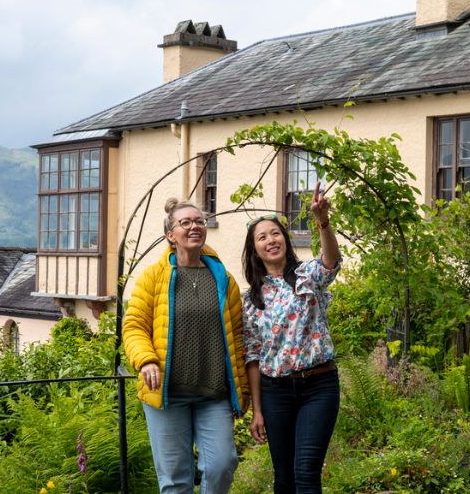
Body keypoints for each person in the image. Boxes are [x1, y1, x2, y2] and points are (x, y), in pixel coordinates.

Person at [123, 198, 249, 494]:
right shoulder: (153, 277)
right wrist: (146, 360)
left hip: (213, 393)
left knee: (221, 465)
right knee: (175, 480)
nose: (195, 226)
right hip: (166, 394)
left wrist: (243, 388)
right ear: (171, 235)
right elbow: (134, 326)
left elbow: (239, 334)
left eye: (200, 221)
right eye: (186, 222)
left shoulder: (223, 279)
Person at [242, 181, 341, 494]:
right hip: (275, 392)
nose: (271, 240)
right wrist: (257, 410)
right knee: (283, 477)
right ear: (255, 250)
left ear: (285, 239)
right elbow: (253, 357)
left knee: (306, 474)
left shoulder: (307, 275)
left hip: (318, 385)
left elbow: (331, 261)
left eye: (275, 234)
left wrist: (322, 220)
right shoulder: (251, 299)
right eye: (262, 237)